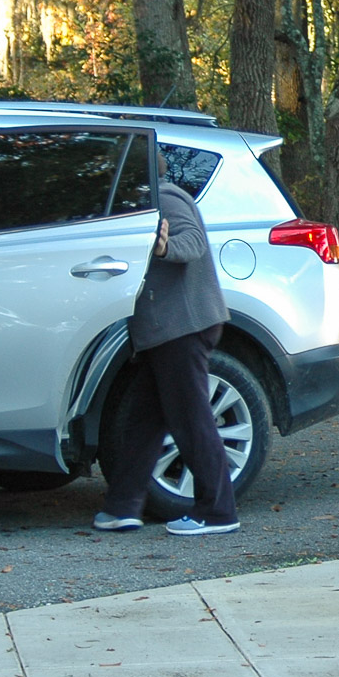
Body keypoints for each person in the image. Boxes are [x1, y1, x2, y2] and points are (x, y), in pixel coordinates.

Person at [92, 168, 239, 536]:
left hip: (182, 327)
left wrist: (164, 248)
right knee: (143, 421)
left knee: (192, 420)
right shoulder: (143, 201)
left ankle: (218, 512)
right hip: (163, 332)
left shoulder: (164, 196)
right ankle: (122, 507)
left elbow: (193, 241)